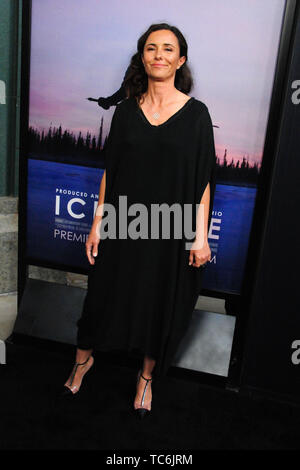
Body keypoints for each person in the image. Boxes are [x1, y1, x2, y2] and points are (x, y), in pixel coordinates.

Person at [62, 23, 217, 420]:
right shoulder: (126, 112)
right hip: (122, 222)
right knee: (99, 299)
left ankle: (145, 378)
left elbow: (202, 181)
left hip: (170, 228)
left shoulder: (197, 115)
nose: (159, 55)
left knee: (156, 304)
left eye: (168, 48)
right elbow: (110, 171)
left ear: (180, 60)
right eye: (152, 48)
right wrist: (97, 223)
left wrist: (199, 237)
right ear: (143, 58)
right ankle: (83, 360)